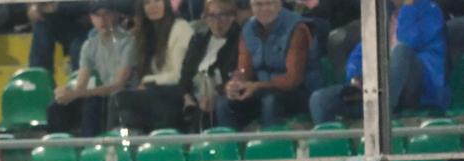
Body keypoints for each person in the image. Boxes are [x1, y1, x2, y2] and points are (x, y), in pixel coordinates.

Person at [309, 0, 450, 124]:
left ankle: (381, 109)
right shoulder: (384, 12)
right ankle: (337, 150)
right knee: (320, 100)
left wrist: (409, 5)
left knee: (401, 51)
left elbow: (408, 40)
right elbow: (361, 51)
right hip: (377, 91)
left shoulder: (430, 10)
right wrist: (356, 77)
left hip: (418, 90)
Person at [215, 0, 321, 129]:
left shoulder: (297, 28)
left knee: (271, 101)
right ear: (251, 7)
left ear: (279, 4)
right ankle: (231, 147)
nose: (264, 9)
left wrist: (258, 86)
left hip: (298, 91)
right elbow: (244, 68)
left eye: (269, 3)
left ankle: (274, 146)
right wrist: (236, 82)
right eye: (258, 4)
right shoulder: (247, 29)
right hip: (261, 89)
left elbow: (293, 78)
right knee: (224, 102)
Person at [47, 1, 135, 137]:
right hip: (103, 94)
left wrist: (77, 93)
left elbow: (118, 85)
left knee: (92, 103)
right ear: (91, 18)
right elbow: (80, 85)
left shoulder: (128, 42)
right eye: (97, 16)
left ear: (116, 15)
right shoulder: (89, 45)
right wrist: (66, 93)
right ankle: (59, 150)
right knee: (56, 107)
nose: (102, 20)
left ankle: (89, 150)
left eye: (106, 14)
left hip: (125, 94)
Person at [112, 0, 194, 132]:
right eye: (147, 3)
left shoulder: (181, 28)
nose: (152, 7)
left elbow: (179, 76)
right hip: (155, 93)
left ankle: (115, 148)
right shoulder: (147, 33)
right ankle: (128, 147)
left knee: (120, 98)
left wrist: (148, 80)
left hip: (177, 93)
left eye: (157, 1)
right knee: (125, 110)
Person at [178, 0, 242, 131]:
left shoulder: (239, 40)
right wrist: (186, 96)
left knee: (215, 106)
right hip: (195, 94)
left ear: (232, 17)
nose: (217, 22)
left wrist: (215, 93)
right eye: (211, 16)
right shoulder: (198, 39)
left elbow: (233, 74)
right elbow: (186, 73)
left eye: (222, 15)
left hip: (221, 92)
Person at [27, 2, 92, 74]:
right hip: (68, 20)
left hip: (93, 26)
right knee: (41, 23)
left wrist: (56, 6)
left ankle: (79, 81)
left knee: (77, 47)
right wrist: (35, 6)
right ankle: (39, 77)